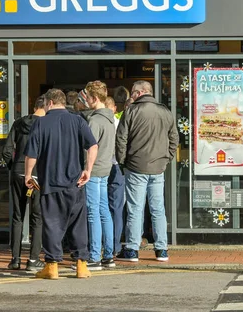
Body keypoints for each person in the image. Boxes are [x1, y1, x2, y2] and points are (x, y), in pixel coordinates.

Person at [24, 88, 99, 279]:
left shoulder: (40, 124)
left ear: (49, 103)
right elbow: (93, 145)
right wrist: (88, 170)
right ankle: (81, 264)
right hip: (75, 183)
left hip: (50, 183)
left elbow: (31, 154)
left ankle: (52, 266)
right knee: (77, 224)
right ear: (63, 102)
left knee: (51, 224)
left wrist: (28, 175)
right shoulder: (77, 120)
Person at [115, 81, 179, 262]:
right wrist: (167, 158)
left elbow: (121, 139)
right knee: (158, 208)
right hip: (158, 167)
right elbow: (174, 138)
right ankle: (162, 249)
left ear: (142, 92)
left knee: (135, 209)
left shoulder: (132, 111)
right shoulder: (165, 112)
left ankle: (133, 249)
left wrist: (122, 161)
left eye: (134, 93)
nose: (132, 96)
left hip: (135, 166)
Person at [2, 95, 46, 272]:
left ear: (34, 105)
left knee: (17, 216)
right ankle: (34, 259)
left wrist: (14, 168)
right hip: (36, 175)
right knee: (37, 217)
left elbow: (6, 151)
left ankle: (15, 259)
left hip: (18, 172)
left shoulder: (19, 123)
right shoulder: (45, 125)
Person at [75, 81, 116, 271]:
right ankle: (108, 255)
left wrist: (86, 169)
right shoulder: (109, 118)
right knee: (104, 210)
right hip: (106, 167)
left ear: (95, 98)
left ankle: (94, 256)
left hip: (94, 168)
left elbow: (90, 147)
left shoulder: (95, 120)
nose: (87, 101)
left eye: (88, 98)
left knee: (93, 212)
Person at [104, 96, 125, 256]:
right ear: (114, 108)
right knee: (116, 208)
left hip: (101, 167)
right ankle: (115, 245)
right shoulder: (119, 123)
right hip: (117, 166)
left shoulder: (98, 122)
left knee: (100, 208)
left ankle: (102, 245)